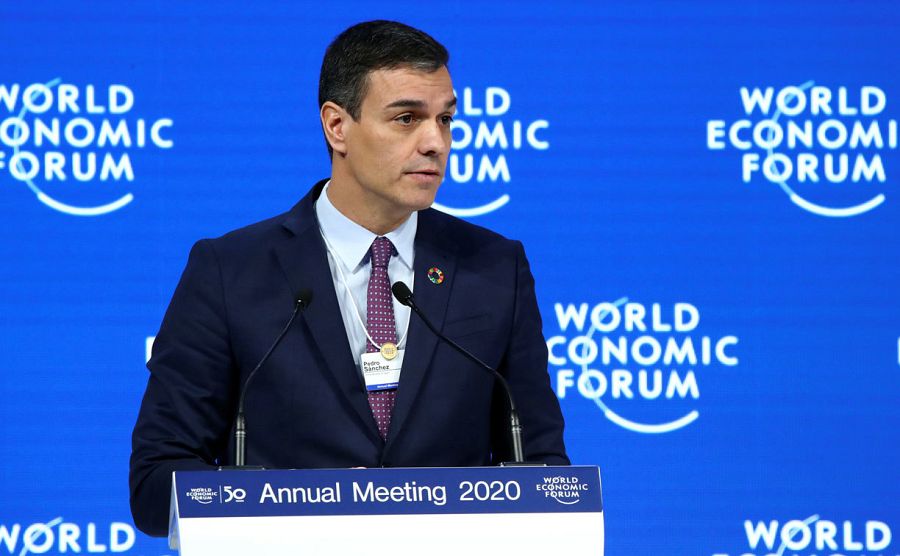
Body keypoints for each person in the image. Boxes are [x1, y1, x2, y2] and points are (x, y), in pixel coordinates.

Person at [129, 20, 568, 537]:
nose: (436, 143)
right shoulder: (230, 271)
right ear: (337, 126)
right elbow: (156, 483)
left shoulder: (494, 267)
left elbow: (543, 472)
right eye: (407, 118)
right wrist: (306, 506)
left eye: (445, 120)